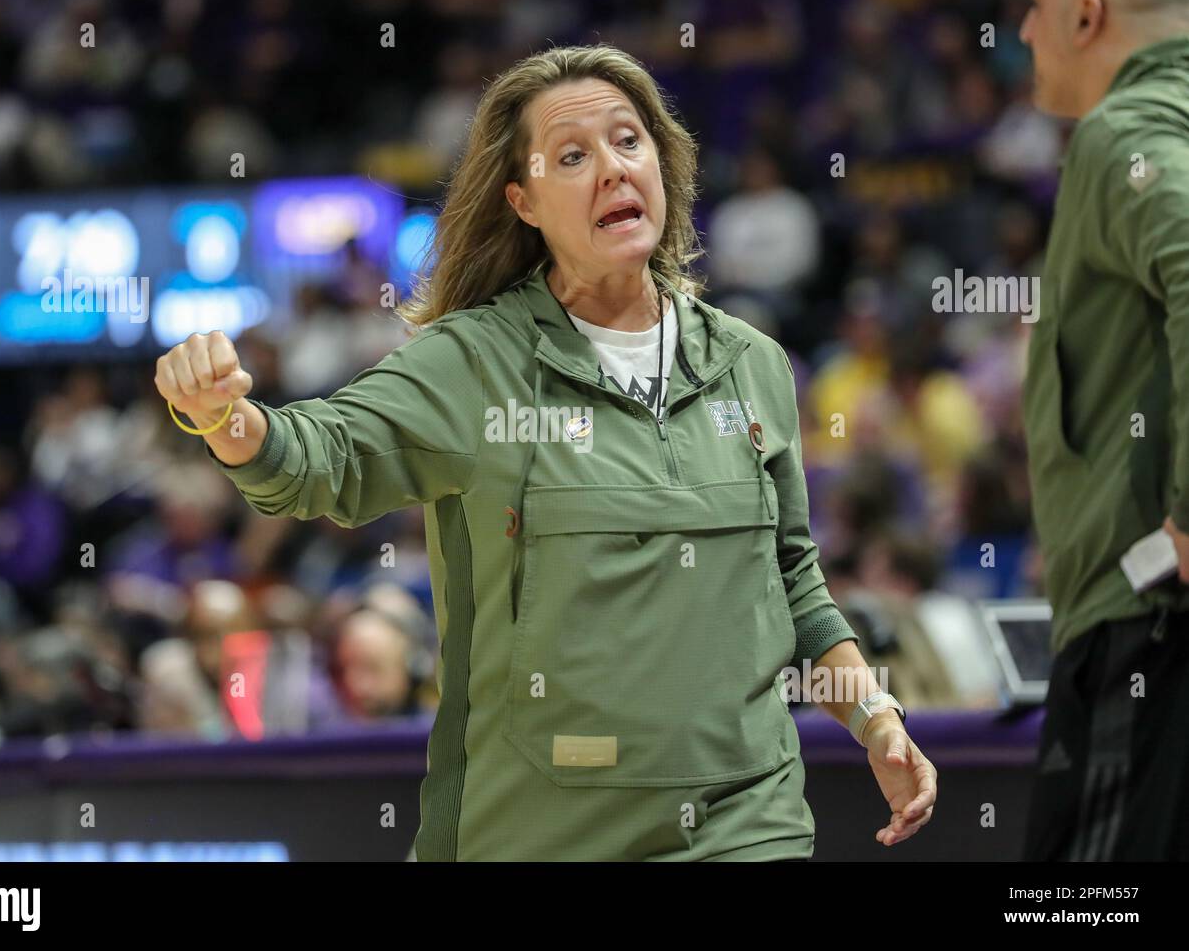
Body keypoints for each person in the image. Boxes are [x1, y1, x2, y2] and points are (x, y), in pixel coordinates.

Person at [153, 44, 937, 861]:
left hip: (748, 825)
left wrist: (876, 719)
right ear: (522, 202)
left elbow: (793, 582)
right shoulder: (474, 364)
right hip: (537, 838)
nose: (612, 169)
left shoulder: (755, 365)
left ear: (665, 164)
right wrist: (223, 416)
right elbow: (319, 462)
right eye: (572, 156)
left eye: (629, 142)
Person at [1018, 0, 1189, 860]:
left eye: (1033, 8)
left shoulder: (1120, 132)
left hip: (1147, 623)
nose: (1018, 33)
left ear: (1085, 13)